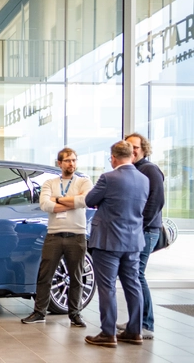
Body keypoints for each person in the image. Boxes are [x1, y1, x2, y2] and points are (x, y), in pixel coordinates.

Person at [84, 141, 149, 348]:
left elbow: (89, 200)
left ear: (113, 157)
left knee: (107, 287)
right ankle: (135, 331)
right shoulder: (144, 179)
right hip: (133, 241)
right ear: (132, 155)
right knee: (133, 285)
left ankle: (108, 333)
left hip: (108, 241)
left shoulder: (108, 178)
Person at [21, 148, 93, 327]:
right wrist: (72, 201)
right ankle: (39, 312)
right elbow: (45, 204)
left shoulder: (84, 182)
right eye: (67, 161)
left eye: (74, 160)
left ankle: (75, 314)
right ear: (59, 163)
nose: (71, 164)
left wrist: (58, 200)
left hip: (77, 235)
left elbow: (85, 200)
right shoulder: (50, 183)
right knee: (45, 276)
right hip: (54, 235)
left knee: (76, 277)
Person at [118, 133, 165, 340]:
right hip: (136, 230)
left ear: (144, 149)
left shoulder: (149, 169)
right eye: (128, 146)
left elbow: (157, 201)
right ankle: (136, 321)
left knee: (137, 275)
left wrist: (139, 225)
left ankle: (145, 324)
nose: (132, 150)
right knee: (132, 276)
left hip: (146, 230)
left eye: (135, 147)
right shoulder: (133, 170)